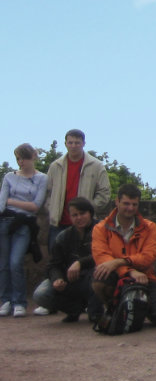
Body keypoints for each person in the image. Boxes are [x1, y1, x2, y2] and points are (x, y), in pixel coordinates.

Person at [90, 183, 156, 328]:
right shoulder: (100, 228)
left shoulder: (150, 227)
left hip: (145, 277)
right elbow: (102, 258)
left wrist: (119, 262)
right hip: (117, 276)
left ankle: (138, 309)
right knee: (100, 277)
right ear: (117, 202)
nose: (130, 208)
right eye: (126, 204)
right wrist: (129, 271)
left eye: (134, 204)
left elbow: (149, 256)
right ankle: (113, 306)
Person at [41, 129, 110, 261]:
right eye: (70, 142)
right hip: (58, 223)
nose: (73, 146)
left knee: (84, 261)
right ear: (65, 144)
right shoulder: (55, 166)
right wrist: (51, 209)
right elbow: (47, 192)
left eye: (77, 143)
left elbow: (104, 193)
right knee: (57, 261)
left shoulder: (96, 166)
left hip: (85, 225)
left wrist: (88, 210)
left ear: (83, 143)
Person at [33, 196, 99, 322]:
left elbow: (104, 254)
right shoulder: (63, 237)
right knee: (41, 294)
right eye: (75, 215)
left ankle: (96, 311)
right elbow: (53, 265)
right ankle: (74, 309)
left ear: (90, 213)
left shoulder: (101, 229)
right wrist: (57, 279)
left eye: (82, 213)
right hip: (71, 280)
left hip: (94, 277)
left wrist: (80, 263)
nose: (79, 218)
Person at [0, 143, 47, 318]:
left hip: (24, 224)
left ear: (32, 158)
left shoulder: (42, 178)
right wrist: (11, 203)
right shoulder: (9, 177)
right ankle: (5, 300)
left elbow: (35, 206)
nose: (21, 162)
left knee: (15, 262)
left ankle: (19, 301)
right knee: (3, 264)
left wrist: (12, 202)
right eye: (18, 158)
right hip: (5, 221)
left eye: (24, 158)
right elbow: (1, 202)